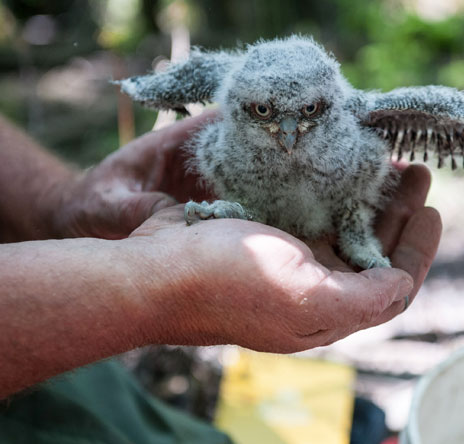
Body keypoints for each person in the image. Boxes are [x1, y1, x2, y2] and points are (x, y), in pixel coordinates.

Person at [0, 110, 441, 441]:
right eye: (265, 115)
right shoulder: (227, 147)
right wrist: (154, 285)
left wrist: (55, 202)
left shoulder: (345, 136)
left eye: (309, 116)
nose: (288, 136)